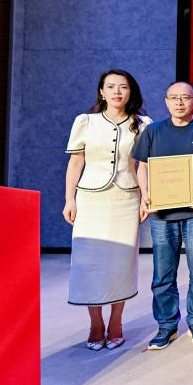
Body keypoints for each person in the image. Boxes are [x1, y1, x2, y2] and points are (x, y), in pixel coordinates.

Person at [63, 69, 150, 350]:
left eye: (122, 87)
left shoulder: (142, 124)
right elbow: (76, 163)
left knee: (121, 264)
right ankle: (96, 324)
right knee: (89, 262)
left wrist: (145, 197)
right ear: (101, 91)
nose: (116, 92)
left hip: (126, 200)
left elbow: (142, 166)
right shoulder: (85, 121)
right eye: (110, 86)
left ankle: (116, 322)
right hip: (91, 200)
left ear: (130, 91)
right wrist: (70, 199)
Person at [134, 81, 193, 350]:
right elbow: (142, 167)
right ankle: (166, 326)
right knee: (163, 273)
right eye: (173, 98)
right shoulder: (153, 131)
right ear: (166, 101)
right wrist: (145, 193)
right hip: (162, 214)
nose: (179, 102)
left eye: (185, 97)